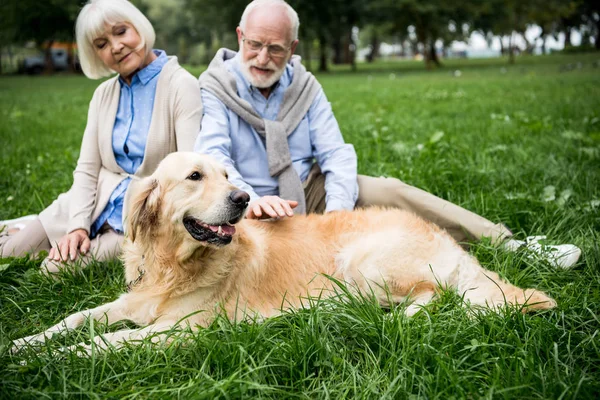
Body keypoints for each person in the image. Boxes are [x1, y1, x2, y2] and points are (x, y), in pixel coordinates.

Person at [194, 0, 581, 268]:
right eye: (255, 45)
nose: (263, 59)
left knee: (389, 189)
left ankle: (511, 245)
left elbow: (337, 154)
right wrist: (253, 200)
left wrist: (339, 213)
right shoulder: (215, 86)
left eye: (275, 49)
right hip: (246, 204)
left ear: (293, 47)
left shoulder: (306, 86)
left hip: (307, 190)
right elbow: (215, 158)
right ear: (240, 35)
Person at [0, 0, 202, 273]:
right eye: (101, 44)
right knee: (9, 253)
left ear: (139, 27)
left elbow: (193, 172)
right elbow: (87, 169)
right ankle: (20, 228)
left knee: (53, 271)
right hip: (93, 201)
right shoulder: (103, 94)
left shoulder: (182, 86)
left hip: (139, 218)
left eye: (121, 32)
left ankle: (21, 226)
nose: (115, 47)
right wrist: (77, 226)